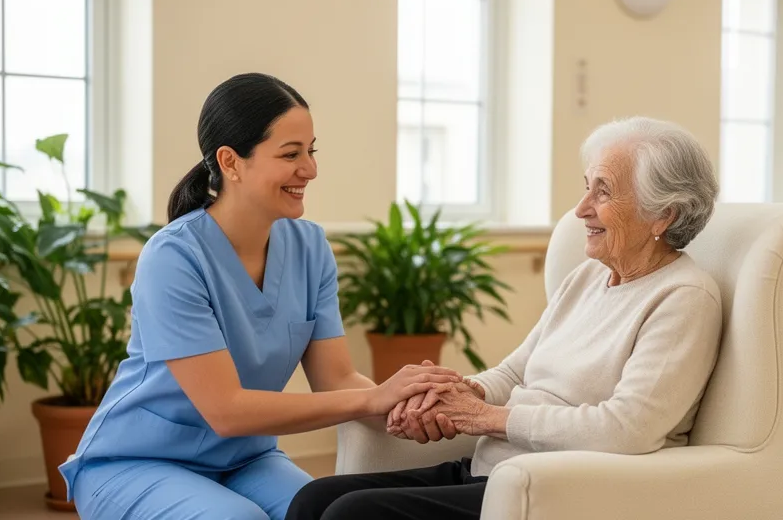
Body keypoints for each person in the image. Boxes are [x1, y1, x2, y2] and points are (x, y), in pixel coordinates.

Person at [58, 73, 462, 520]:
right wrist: (375, 398)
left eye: (311, 151)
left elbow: (338, 379)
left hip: (245, 460)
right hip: (138, 462)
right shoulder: (172, 257)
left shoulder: (310, 248)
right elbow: (226, 410)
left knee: (333, 510)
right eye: (290, 154)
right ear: (231, 162)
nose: (309, 169)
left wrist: (412, 402)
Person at [286, 116, 725, 520]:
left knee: (353, 515)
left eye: (603, 191)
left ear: (663, 214)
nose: (581, 208)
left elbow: (628, 429)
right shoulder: (589, 277)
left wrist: (483, 417)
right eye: (586, 186)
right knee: (315, 498)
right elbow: (516, 371)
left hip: (556, 489)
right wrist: (456, 393)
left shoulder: (682, 298)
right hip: (493, 469)